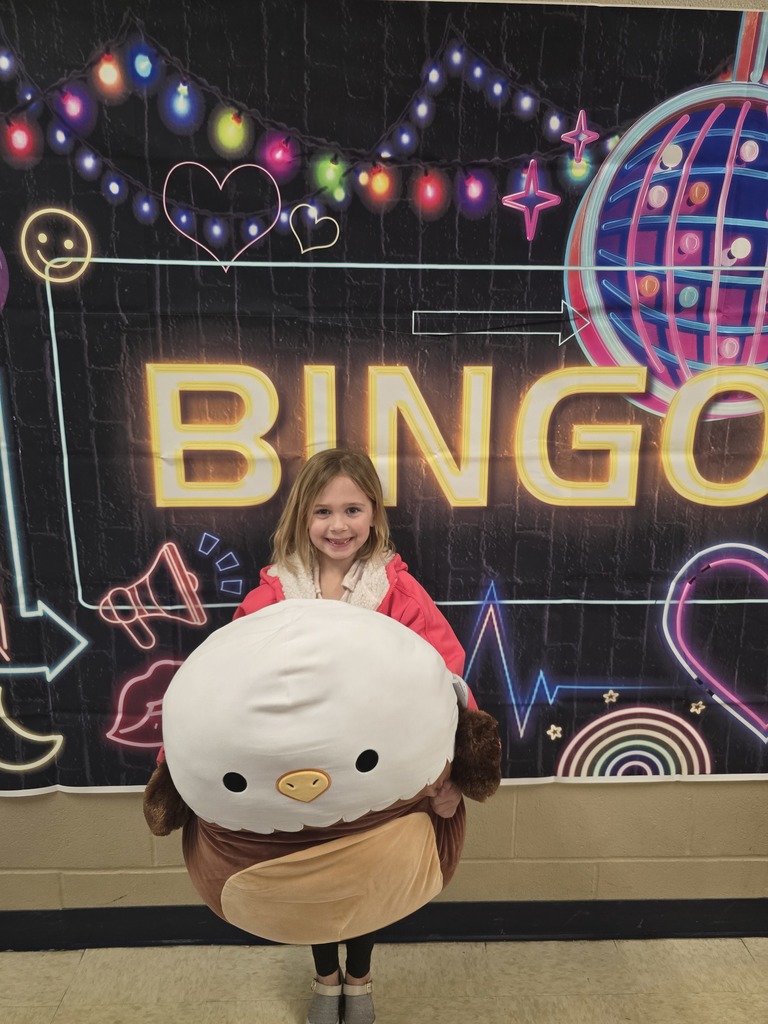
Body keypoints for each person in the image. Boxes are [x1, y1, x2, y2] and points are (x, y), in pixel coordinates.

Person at [233, 447, 475, 1024]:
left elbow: (449, 680)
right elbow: (223, 686)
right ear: (302, 517)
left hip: (376, 771)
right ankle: (324, 980)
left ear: (374, 514)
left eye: (352, 510)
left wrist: (459, 772)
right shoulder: (268, 598)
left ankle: (359, 980)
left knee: (365, 875)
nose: (337, 525)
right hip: (301, 770)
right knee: (317, 873)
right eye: (322, 512)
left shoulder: (401, 596)